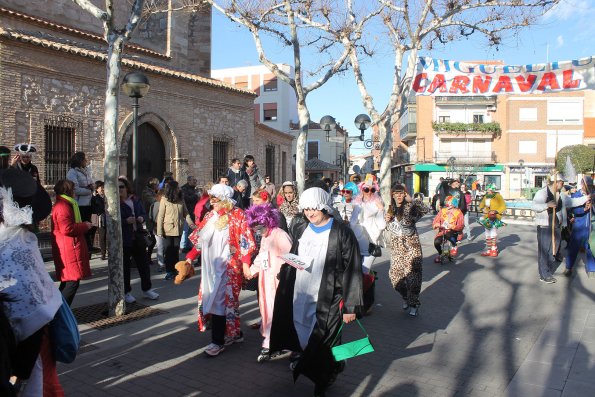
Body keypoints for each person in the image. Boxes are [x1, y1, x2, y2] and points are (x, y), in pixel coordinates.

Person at [270, 187, 363, 397]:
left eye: (314, 208)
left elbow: (352, 268)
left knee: (324, 341)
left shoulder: (341, 232)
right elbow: (297, 255)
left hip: (329, 298)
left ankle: (322, 382)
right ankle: (339, 361)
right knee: (304, 336)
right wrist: (286, 269)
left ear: (324, 206)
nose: (310, 213)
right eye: (306, 209)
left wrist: (351, 306)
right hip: (302, 294)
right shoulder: (302, 228)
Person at [0, 168, 63, 396]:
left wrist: (18, 373)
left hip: (25, 348)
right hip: (30, 341)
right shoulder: (24, 239)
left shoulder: (17, 244)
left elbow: (29, 307)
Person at [195, 184, 256, 357]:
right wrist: (190, 258)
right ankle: (234, 333)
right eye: (211, 199)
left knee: (220, 303)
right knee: (219, 301)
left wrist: (245, 264)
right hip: (210, 269)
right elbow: (199, 239)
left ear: (225, 200)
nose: (212, 202)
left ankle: (217, 341)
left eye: (216, 199)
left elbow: (246, 241)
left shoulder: (237, 215)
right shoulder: (209, 216)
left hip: (229, 269)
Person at [244, 203, 292, 362]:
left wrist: (286, 275)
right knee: (267, 310)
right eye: (255, 226)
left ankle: (273, 342)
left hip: (278, 282)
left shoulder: (279, 235)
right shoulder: (265, 237)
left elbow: (291, 257)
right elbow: (261, 257)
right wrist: (251, 271)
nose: (258, 229)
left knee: (277, 310)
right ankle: (273, 340)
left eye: (260, 225)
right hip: (265, 281)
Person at [532, 173, 589, 283]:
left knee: (553, 250)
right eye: (561, 183)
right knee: (545, 250)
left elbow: (572, 202)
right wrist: (546, 205)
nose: (563, 185)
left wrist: (586, 197)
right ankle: (544, 274)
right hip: (545, 226)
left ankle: (547, 269)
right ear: (555, 182)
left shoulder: (561, 195)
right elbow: (534, 206)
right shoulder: (542, 193)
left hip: (556, 225)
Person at [384, 184, 428, 317]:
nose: (398, 195)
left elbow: (425, 209)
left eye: (401, 193)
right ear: (392, 195)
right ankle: (405, 297)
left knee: (413, 276)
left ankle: (414, 303)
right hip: (397, 246)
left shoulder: (410, 207)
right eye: (396, 193)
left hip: (411, 245)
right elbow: (390, 227)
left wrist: (412, 201)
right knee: (394, 276)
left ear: (405, 194)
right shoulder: (390, 209)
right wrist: (386, 220)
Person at [51, 179, 93, 306]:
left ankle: (59, 311)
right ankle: (61, 311)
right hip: (68, 247)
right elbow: (67, 228)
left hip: (69, 246)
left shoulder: (66, 204)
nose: (75, 192)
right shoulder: (63, 206)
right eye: (73, 189)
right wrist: (84, 226)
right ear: (67, 190)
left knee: (68, 281)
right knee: (72, 282)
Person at [119, 178, 159, 302]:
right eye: (117, 187)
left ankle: (147, 289)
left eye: (121, 186)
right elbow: (111, 220)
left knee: (144, 264)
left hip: (138, 236)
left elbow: (143, 213)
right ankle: (126, 292)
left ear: (126, 187)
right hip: (125, 238)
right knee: (125, 267)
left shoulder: (134, 200)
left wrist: (141, 217)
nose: (119, 189)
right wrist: (125, 221)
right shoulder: (115, 203)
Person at [156, 180, 194, 280]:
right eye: (177, 187)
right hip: (167, 229)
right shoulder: (164, 199)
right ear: (172, 189)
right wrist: (159, 231)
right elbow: (160, 216)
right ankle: (169, 271)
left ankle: (176, 269)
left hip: (178, 229)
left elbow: (186, 213)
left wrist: (191, 224)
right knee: (169, 251)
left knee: (176, 250)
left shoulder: (181, 199)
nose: (179, 189)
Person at [355, 175, 386, 275]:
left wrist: (381, 210)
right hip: (357, 241)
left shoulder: (377, 203)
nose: (369, 192)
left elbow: (382, 225)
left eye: (372, 190)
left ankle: (365, 288)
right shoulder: (356, 203)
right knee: (357, 270)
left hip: (371, 241)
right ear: (361, 189)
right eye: (366, 189)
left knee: (364, 271)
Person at [564, 177, 595, 276]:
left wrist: (592, 206)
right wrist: (584, 209)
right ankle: (569, 267)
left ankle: (592, 269)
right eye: (587, 186)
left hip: (591, 226)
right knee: (574, 247)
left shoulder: (593, 195)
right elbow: (573, 210)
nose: (589, 188)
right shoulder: (576, 195)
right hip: (579, 225)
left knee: (590, 247)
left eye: (591, 186)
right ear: (582, 185)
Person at [66, 151, 95, 255]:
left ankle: (89, 246)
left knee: (91, 226)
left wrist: (92, 187)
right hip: (80, 205)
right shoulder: (72, 172)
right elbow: (75, 190)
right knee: (83, 227)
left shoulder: (85, 171)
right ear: (80, 160)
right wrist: (89, 190)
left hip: (89, 203)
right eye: (85, 159)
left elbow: (92, 183)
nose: (86, 161)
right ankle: (84, 248)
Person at [432, 196, 465, 262]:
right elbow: (436, 220)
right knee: (436, 242)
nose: (448, 204)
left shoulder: (458, 212)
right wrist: (436, 224)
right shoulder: (442, 210)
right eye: (447, 202)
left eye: (450, 203)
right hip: (443, 231)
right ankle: (441, 254)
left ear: (454, 203)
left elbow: (461, 225)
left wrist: (452, 226)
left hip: (454, 232)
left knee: (448, 235)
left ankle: (454, 245)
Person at [478, 184, 507, 257]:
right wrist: (482, 209)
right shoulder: (486, 196)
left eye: (490, 190)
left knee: (493, 232)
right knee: (487, 234)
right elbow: (481, 205)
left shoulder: (498, 196)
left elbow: (503, 206)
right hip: (487, 217)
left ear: (493, 190)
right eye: (488, 190)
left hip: (495, 217)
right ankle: (489, 250)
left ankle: (493, 249)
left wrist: (496, 211)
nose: (489, 191)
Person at [181, 176, 199, 252]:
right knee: (185, 230)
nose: (195, 182)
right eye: (193, 180)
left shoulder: (194, 189)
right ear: (188, 181)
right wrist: (196, 195)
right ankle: (183, 246)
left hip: (192, 211)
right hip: (186, 211)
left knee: (190, 230)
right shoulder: (184, 189)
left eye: (195, 180)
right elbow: (186, 199)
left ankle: (188, 245)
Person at [91, 181, 107, 260]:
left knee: (109, 236)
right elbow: (95, 209)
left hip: (109, 218)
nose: (103, 189)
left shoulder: (107, 197)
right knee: (102, 236)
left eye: (104, 187)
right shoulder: (95, 198)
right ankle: (103, 253)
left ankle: (109, 251)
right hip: (101, 219)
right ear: (97, 189)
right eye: (101, 187)